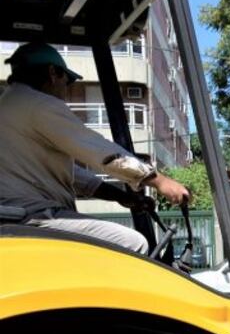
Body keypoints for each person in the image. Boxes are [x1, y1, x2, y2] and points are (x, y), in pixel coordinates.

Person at [0, 42, 189, 252]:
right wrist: (160, 181)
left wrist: (121, 196)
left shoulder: (10, 106)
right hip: (34, 217)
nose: (66, 89)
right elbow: (101, 152)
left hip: (17, 215)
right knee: (132, 244)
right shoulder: (38, 104)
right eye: (67, 81)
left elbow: (75, 175)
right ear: (53, 73)